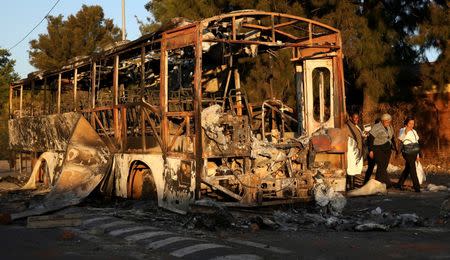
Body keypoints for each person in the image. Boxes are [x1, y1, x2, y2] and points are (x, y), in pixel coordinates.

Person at [367, 113, 397, 188]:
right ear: (382, 121)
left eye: (389, 121)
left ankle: (378, 183)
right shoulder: (377, 127)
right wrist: (371, 150)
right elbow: (370, 138)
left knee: (383, 167)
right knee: (381, 166)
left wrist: (395, 148)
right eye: (386, 121)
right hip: (378, 149)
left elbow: (392, 138)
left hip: (387, 149)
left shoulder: (390, 127)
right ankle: (388, 183)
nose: (388, 123)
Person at [395, 116, 421, 192]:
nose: (412, 125)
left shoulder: (414, 131)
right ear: (406, 123)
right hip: (406, 152)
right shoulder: (402, 130)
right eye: (410, 123)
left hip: (414, 152)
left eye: (413, 123)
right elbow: (401, 139)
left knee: (408, 168)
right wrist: (406, 131)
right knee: (412, 168)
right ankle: (417, 187)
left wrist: (418, 155)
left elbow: (417, 143)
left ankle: (399, 183)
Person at [344, 111, 364, 190]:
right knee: (350, 167)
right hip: (350, 149)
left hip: (355, 149)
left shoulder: (356, 126)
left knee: (354, 167)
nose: (356, 119)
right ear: (351, 118)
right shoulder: (346, 126)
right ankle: (351, 186)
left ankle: (351, 185)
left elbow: (359, 136)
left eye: (357, 118)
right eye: (354, 118)